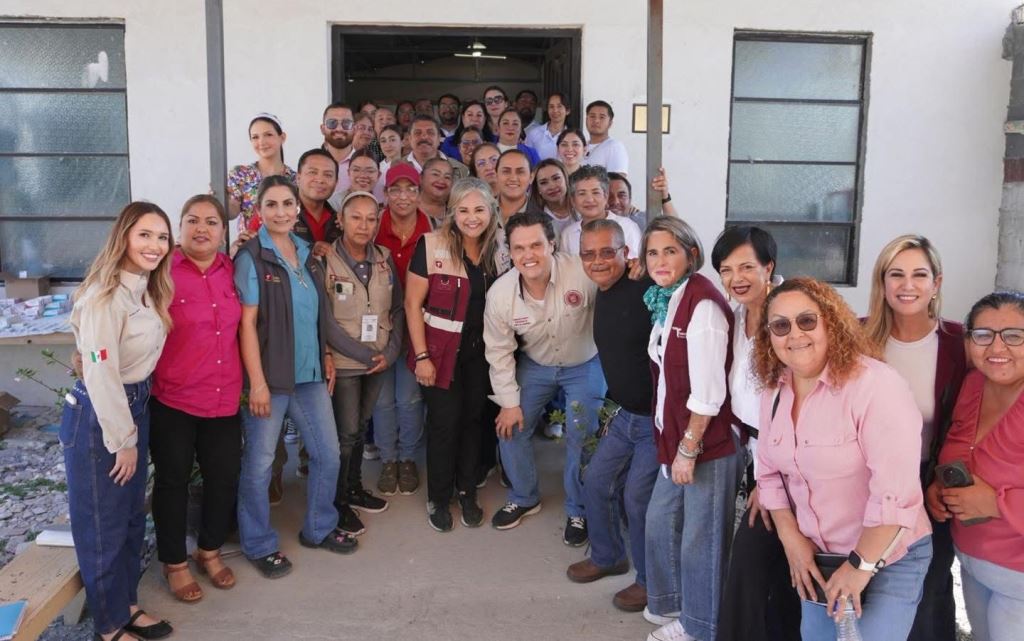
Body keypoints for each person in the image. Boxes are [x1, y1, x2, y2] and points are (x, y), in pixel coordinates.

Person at [753, 277, 934, 641]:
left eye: (807, 320)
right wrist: (791, 539)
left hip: (888, 555)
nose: (795, 334)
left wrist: (860, 566)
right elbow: (769, 474)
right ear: (769, 336)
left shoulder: (875, 385)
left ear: (831, 323)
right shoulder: (775, 390)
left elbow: (895, 495)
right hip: (821, 559)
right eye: (781, 326)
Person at [234, 176, 355, 580]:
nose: (281, 212)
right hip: (270, 378)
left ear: (297, 208)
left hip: (310, 375)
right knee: (260, 464)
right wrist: (257, 383)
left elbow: (313, 313)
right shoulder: (251, 257)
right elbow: (246, 325)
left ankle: (319, 527)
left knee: (328, 454)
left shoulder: (305, 251)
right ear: (259, 211)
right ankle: (258, 543)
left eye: (287, 204)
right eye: (271, 204)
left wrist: (325, 355)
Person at [64, 201, 175, 641]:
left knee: (130, 515)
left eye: (162, 237)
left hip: (135, 402)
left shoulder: (145, 289)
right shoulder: (103, 296)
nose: (155, 245)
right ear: (124, 236)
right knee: (103, 521)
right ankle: (109, 626)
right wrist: (123, 439)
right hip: (102, 414)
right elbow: (101, 374)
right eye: (145, 234)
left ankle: (126, 604)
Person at [864, 235, 968, 641]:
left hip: (931, 482)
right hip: (867, 482)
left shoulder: (959, 344)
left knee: (930, 587)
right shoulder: (857, 338)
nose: (907, 285)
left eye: (919, 275)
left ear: (936, 283)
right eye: (896, 274)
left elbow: (970, 419)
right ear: (882, 282)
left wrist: (944, 478)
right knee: (873, 582)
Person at [641, 216, 740, 641]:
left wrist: (687, 449)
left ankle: (702, 626)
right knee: (660, 519)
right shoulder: (668, 298)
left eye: (670, 251)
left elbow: (708, 393)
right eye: (652, 252)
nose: (660, 261)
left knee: (702, 538)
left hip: (705, 442)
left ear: (691, 255)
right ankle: (674, 603)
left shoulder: (703, 307)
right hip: (676, 436)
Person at [484, 210, 605, 544]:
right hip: (536, 364)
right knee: (510, 427)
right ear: (510, 252)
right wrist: (509, 403)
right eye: (519, 248)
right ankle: (524, 497)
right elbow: (498, 351)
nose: (529, 255)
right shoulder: (500, 294)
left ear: (551, 243)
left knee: (582, 432)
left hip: (584, 362)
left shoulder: (582, 272)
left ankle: (579, 508)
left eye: (536, 245)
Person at [150, 195, 241, 605]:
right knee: (173, 482)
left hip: (223, 396)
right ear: (180, 226)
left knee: (223, 478)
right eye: (192, 220)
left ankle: (209, 550)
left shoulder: (232, 269)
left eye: (211, 222)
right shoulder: (161, 270)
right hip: (174, 397)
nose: (201, 228)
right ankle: (174, 563)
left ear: (223, 231)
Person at [406, 177, 510, 531]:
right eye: (463, 210)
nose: (471, 217)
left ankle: (466, 491)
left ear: (491, 211)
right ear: (452, 213)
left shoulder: (500, 250)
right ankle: (438, 497)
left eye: (479, 209)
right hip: (439, 355)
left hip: (482, 356)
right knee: (444, 425)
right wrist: (422, 357)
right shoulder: (431, 244)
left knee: (473, 422)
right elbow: (412, 304)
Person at [566, 219, 658, 614]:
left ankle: (652, 583)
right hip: (625, 414)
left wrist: (649, 269)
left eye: (608, 252)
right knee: (596, 480)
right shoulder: (600, 290)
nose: (598, 261)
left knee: (637, 498)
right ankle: (608, 556)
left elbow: (678, 281)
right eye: (589, 254)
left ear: (626, 253)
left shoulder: (647, 288)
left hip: (656, 419)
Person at [713, 226, 801, 641]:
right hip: (752, 451)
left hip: (788, 461)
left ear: (769, 267)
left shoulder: (787, 320)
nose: (737, 278)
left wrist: (770, 478)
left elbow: (796, 401)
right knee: (777, 562)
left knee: (753, 559)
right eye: (726, 270)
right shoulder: (735, 316)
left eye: (747, 267)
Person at [931, 291, 1024, 641]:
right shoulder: (973, 385)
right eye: (983, 335)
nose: (997, 347)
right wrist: (939, 488)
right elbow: (959, 448)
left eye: (1014, 335)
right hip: (972, 562)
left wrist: (998, 503)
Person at [321, 191, 404, 537]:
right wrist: (364, 356)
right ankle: (337, 503)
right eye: (356, 217)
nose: (363, 225)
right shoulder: (324, 260)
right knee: (345, 435)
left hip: (379, 360)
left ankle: (354, 488)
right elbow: (324, 321)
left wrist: (392, 352)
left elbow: (397, 309)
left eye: (371, 219)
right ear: (340, 220)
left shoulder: (384, 258)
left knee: (360, 427)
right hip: (345, 364)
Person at [372, 164, 432, 496]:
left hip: (415, 329)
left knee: (409, 398)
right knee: (382, 400)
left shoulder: (432, 231)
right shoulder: (373, 227)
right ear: (386, 194)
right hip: (379, 330)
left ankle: (407, 458)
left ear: (420, 194)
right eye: (396, 189)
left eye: (411, 189)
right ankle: (388, 459)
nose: (403, 196)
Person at [227, 113, 295, 233]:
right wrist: (220, 200)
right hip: (249, 243)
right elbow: (231, 212)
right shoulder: (240, 174)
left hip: (286, 243)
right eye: (255, 137)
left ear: (282, 137)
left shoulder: (295, 179)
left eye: (268, 135)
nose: (261, 142)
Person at [559, 164, 642, 257]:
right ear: (573, 200)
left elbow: (636, 262)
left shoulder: (627, 227)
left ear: (606, 196)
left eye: (595, 192)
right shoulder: (568, 234)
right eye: (582, 193)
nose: (590, 200)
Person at [292, 148, 341, 253]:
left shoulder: (339, 222)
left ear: (336, 183)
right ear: (298, 178)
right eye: (312, 172)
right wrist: (309, 249)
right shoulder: (279, 214)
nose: (320, 180)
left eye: (328, 175)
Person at [404, 114, 469, 179]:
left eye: (430, 132)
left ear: (439, 138)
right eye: (418, 133)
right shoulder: (398, 166)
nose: (424, 137)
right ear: (410, 138)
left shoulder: (460, 170)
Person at [607, 169, 677, 230]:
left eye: (622, 196)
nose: (615, 201)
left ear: (630, 200)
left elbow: (676, 229)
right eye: (609, 196)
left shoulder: (642, 221)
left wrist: (665, 198)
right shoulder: (599, 224)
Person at [530, 158, 576, 239]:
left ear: (566, 179)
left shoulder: (582, 208)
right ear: (538, 189)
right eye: (544, 183)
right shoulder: (533, 219)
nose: (552, 186)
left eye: (556, 178)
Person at [320, 102, 357, 199]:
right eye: (332, 123)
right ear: (322, 129)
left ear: (354, 129)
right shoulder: (311, 164)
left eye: (346, 123)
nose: (339, 129)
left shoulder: (366, 165)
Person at [584, 100, 629, 175]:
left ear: (610, 123)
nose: (596, 120)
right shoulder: (582, 146)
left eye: (602, 117)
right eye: (592, 116)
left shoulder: (614, 147)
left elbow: (618, 180)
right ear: (586, 120)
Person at [496, 149, 538, 225]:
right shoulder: (482, 209)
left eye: (520, 172)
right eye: (506, 171)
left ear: (531, 177)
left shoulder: (544, 220)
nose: (513, 178)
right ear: (496, 176)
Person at [526, 92, 571, 161]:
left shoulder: (572, 136)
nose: (555, 110)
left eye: (559, 106)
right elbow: (527, 159)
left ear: (567, 111)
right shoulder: (533, 133)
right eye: (551, 106)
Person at [418, 157, 454, 227]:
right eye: (435, 174)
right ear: (421, 178)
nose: (441, 181)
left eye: (447, 177)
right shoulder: (407, 207)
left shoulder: (456, 212)